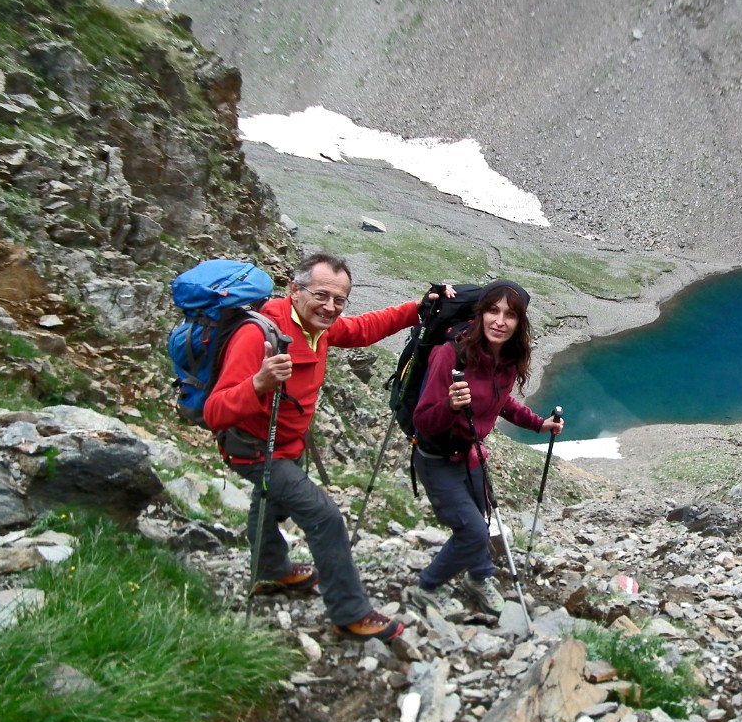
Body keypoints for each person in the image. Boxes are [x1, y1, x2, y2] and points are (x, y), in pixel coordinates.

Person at [206, 252, 444, 643]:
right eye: (321, 295)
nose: (330, 307)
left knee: (268, 504)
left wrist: (416, 310)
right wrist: (258, 385)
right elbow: (216, 411)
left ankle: (270, 571)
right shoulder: (259, 334)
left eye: (339, 300)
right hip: (254, 448)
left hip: (288, 442)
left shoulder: (319, 327)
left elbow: (364, 329)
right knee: (326, 519)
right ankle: (350, 613)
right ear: (294, 290)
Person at [410, 279, 563, 617]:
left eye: (510, 315)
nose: (499, 321)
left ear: (519, 323)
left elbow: (500, 401)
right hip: (437, 458)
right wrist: (450, 406)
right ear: (479, 314)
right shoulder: (450, 354)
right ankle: (428, 586)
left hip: (471, 456)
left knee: (480, 519)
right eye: (492, 311)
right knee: (472, 530)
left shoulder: (506, 359)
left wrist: (540, 424)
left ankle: (479, 578)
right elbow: (423, 421)